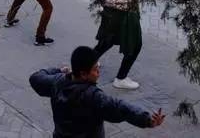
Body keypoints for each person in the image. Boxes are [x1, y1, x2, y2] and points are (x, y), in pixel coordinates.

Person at [29, 45, 165, 137]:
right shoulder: (92, 96)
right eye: (95, 69)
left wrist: (59, 70)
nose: (98, 73)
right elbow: (120, 108)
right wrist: (147, 120)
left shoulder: (57, 82)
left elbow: (36, 78)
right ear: (83, 74)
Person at [92, 0, 143, 90]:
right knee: (135, 45)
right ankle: (121, 78)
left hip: (110, 10)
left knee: (106, 41)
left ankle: (88, 63)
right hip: (125, 13)